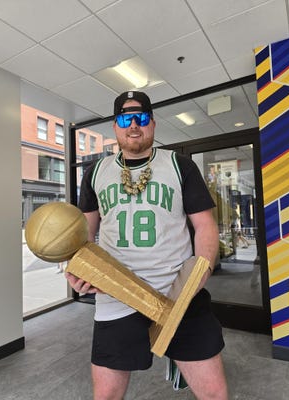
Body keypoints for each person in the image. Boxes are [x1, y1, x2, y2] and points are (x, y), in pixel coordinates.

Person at [65, 91, 228, 400]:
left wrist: (200, 273)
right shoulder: (95, 173)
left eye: (141, 118)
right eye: (126, 118)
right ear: (115, 126)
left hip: (178, 294)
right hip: (116, 298)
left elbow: (205, 225)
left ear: (152, 124)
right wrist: (77, 268)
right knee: (107, 396)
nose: (134, 125)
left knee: (214, 395)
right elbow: (84, 233)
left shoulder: (181, 166)